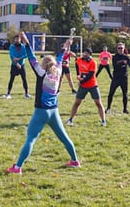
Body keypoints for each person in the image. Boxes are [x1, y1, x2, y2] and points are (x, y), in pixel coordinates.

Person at [6, 31, 79, 174]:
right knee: (64, 137)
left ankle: (17, 167)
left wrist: (26, 42)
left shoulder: (41, 73)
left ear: (44, 64)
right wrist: (66, 45)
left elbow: (31, 57)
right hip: (54, 111)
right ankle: (75, 160)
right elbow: (60, 56)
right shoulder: (58, 70)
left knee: (31, 139)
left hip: (41, 112)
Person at [65, 47, 107, 127]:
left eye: (87, 53)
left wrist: (81, 81)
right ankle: (70, 120)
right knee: (77, 102)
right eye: (84, 53)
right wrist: (78, 74)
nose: (84, 54)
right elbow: (76, 64)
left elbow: (91, 75)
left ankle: (103, 121)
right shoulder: (80, 60)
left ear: (90, 55)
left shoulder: (93, 62)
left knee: (98, 103)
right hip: (83, 86)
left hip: (92, 85)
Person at [105, 43, 130, 114]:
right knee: (111, 93)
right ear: (117, 49)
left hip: (124, 77)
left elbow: (129, 63)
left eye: (122, 48)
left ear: (124, 49)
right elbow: (115, 65)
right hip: (116, 78)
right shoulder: (115, 57)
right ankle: (108, 108)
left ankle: (125, 109)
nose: (120, 49)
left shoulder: (126, 57)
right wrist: (122, 62)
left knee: (125, 94)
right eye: (119, 48)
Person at [5, 34, 30, 99]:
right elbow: (11, 56)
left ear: (20, 40)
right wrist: (16, 63)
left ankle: (26, 93)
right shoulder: (12, 47)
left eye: (18, 39)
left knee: (24, 79)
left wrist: (20, 58)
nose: (17, 40)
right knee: (11, 79)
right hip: (14, 65)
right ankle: (8, 93)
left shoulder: (23, 47)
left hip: (22, 65)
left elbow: (26, 54)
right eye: (16, 39)